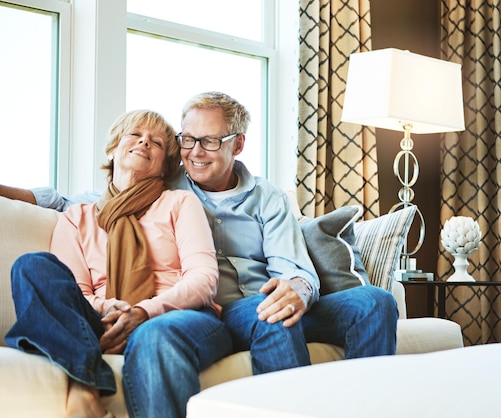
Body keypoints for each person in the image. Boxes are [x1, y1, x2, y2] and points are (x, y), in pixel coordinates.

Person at [1, 91, 398, 376]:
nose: (195, 152)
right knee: (269, 317)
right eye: (187, 140)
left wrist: (297, 289)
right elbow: (79, 199)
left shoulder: (268, 198)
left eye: (209, 141)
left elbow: (292, 268)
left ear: (237, 144)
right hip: (205, 311)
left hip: (257, 302)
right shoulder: (167, 186)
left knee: (374, 302)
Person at [4, 110, 232, 418]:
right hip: (103, 318)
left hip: (177, 315)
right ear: (113, 149)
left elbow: (204, 279)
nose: (144, 142)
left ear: (165, 165)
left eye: (157, 142)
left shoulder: (179, 202)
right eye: (135, 135)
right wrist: (113, 309)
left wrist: (143, 311)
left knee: (156, 334)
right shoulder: (78, 216)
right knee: (31, 266)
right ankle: (85, 389)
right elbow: (78, 291)